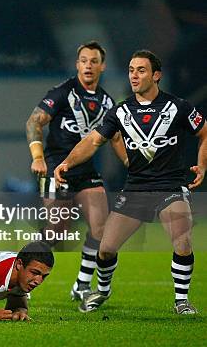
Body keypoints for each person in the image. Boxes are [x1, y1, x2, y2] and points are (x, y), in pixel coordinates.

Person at [54, 50, 206, 314]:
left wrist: (202, 165)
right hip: (135, 188)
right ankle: (102, 291)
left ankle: (181, 301)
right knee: (105, 250)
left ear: (156, 75)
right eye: (131, 70)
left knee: (183, 242)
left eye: (141, 70)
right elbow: (92, 141)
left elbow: (205, 132)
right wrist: (68, 162)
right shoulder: (120, 111)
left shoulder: (179, 107)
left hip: (170, 187)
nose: (134, 75)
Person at [25, 41, 127, 301]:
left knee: (100, 227)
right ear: (77, 65)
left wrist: (132, 164)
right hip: (56, 168)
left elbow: (115, 138)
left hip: (87, 172)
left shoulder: (107, 101)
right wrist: (37, 157)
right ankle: (18, 279)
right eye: (83, 60)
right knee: (55, 232)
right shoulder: (62, 93)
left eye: (94, 61)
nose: (88, 65)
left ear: (102, 66)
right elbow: (34, 122)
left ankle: (82, 283)